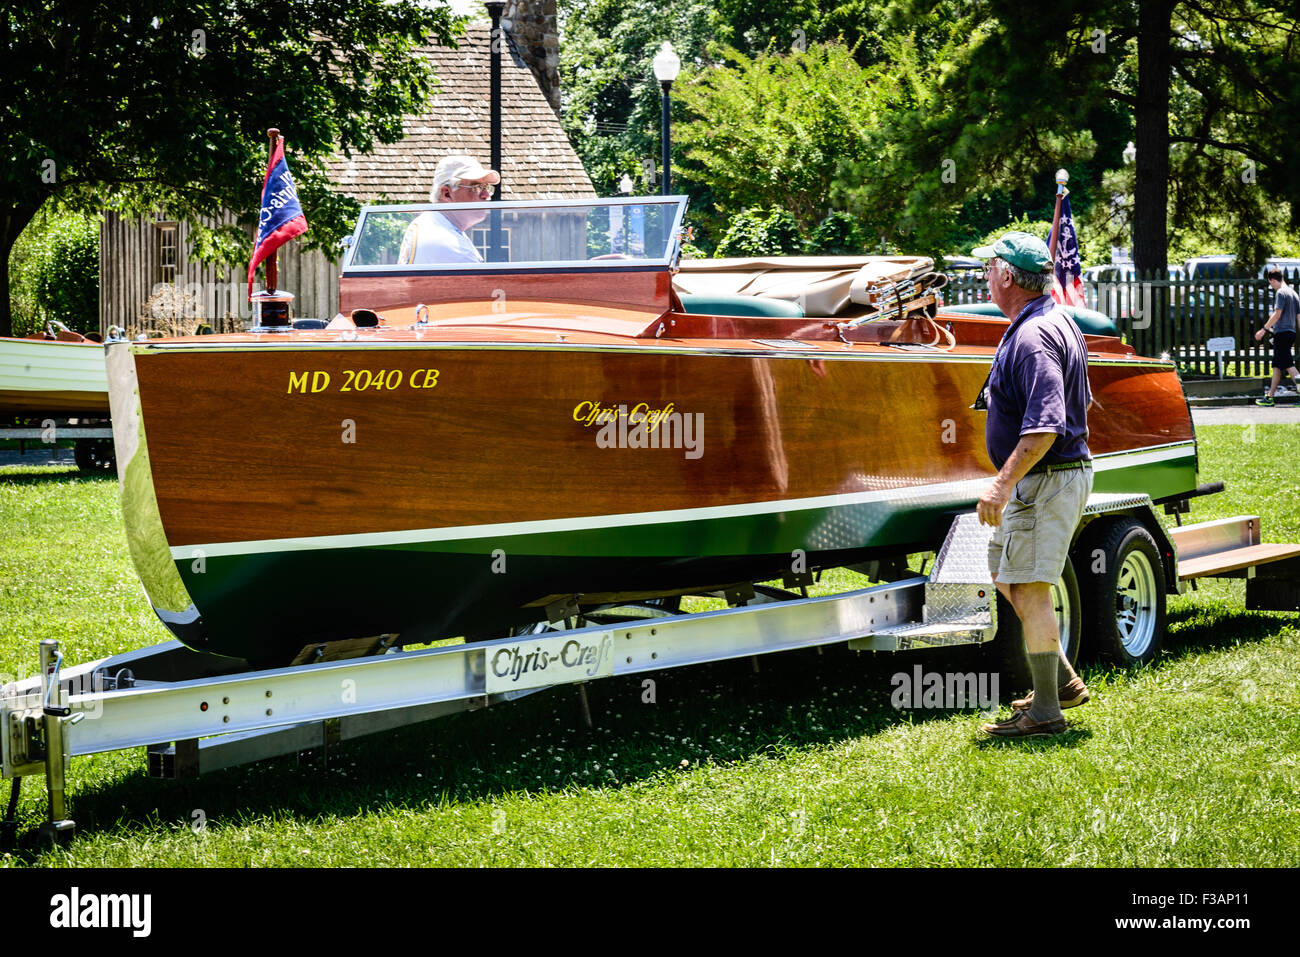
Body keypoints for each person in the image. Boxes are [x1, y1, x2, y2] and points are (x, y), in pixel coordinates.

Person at [972, 231, 1094, 738]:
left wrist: (1000, 486)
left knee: (1031, 589)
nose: (984, 278)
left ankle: (1046, 711)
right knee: (1003, 571)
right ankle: (1059, 681)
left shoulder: (1034, 336)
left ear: (1006, 276)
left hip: (1047, 480)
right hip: (1042, 480)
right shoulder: (1045, 320)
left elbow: (1046, 426)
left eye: (988, 269)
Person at [397, 155, 500, 265]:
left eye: (486, 187)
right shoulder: (450, 244)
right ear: (447, 194)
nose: (486, 194)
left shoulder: (429, 223)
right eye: (476, 187)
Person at [1253, 268, 1299, 406]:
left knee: (1289, 365)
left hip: (1282, 334)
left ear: (1273, 280)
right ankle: (1270, 397)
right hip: (1289, 333)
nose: (1272, 286)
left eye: (1271, 283)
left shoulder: (1281, 293)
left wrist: (1264, 329)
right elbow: (1298, 317)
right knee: (1277, 367)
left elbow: (1277, 314)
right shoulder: (1294, 293)